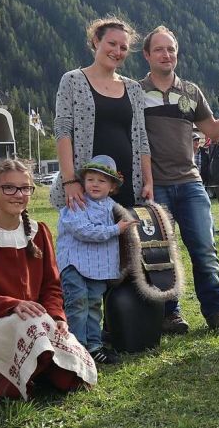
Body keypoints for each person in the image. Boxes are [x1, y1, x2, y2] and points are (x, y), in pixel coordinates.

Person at [0, 159, 95, 399]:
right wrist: (13, 305)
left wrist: (57, 316)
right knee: (21, 376)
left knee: (73, 377)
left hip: (35, 317)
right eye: (9, 188)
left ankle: (41, 367)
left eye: (25, 188)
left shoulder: (38, 232)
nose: (19, 194)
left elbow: (51, 286)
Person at [140, 26, 219, 335]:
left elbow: (213, 130)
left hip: (190, 182)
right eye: (159, 49)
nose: (167, 54)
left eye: (171, 49)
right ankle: (169, 313)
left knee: (204, 248)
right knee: (161, 252)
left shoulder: (190, 91)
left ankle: (216, 311)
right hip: (154, 185)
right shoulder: (133, 92)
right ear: (147, 55)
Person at [52, 17, 153, 211]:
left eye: (123, 48)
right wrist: (69, 181)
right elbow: (63, 131)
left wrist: (148, 181)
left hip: (128, 184)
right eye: (112, 44)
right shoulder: (72, 80)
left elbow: (141, 139)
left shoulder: (134, 88)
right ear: (96, 41)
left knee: (129, 240)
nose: (117, 52)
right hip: (87, 187)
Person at [56, 155, 138, 364]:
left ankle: (94, 346)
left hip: (99, 266)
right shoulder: (76, 202)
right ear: (83, 182)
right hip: (75, 263)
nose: (95, 184)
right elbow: (82, 230)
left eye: (102, 181)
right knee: (77, 302)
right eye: (91, 179)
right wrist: (114, 230)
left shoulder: (112, 207)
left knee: (93, 304)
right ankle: (77, 346)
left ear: (111, 187)